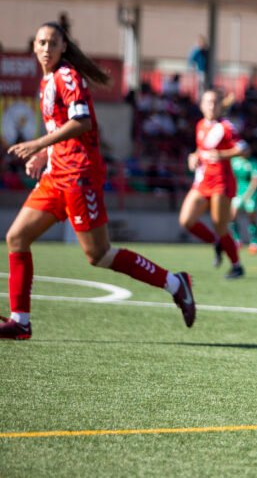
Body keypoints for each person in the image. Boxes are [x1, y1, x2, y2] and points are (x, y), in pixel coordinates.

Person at [2, 21, 196, 340]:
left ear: (65, 46)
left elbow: (82, 122)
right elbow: (60, 127)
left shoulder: (67, 76)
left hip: (80, 176)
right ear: (33, 47)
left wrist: (38, 144)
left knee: (99, 255)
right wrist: (46, 155)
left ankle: (176, 283)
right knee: (17, 238)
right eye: (41, 43)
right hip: (56, 175)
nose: (47, 49)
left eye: (53, 43)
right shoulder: (47, 80)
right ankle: (20, 321)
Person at [179, 89, 248, 279]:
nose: (211, 106)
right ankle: (216, 242)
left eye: (215, 102)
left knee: (220, 226)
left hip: (221, 182)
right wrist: (192, 157)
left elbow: (244, 148)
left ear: (220, 106)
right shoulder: (200, 125)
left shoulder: (226, 127)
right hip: (202, 181)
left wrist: (222, 155)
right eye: (207, 102)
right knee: (186, 220)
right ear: (201, 105)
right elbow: (200, 150)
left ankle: (237, 265)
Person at [229, 151, 257, 255]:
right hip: (237, 191)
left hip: (250, 192)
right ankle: (237, 240)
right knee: (232, 215)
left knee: (251, 216)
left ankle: (254, 242)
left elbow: (255, 180)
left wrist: (249, 193)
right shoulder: (234, 161)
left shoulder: (254, 162)